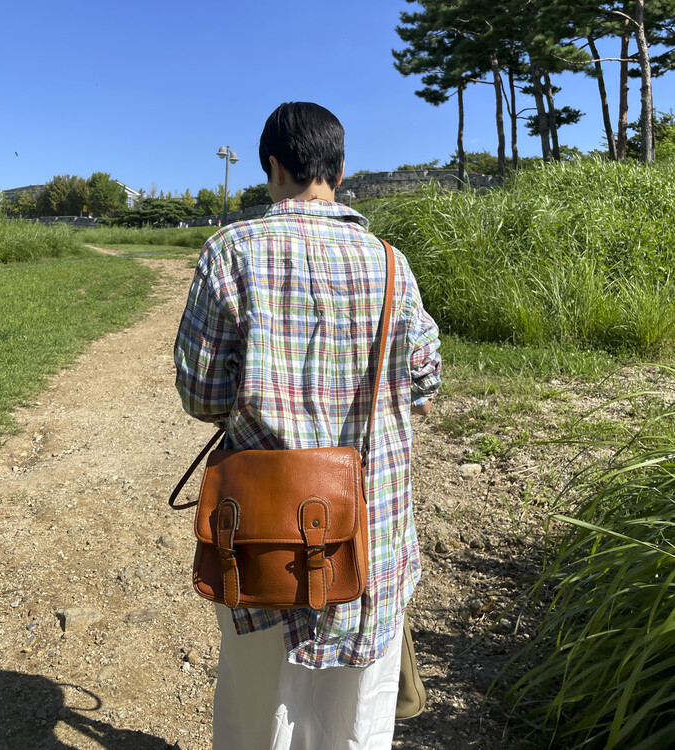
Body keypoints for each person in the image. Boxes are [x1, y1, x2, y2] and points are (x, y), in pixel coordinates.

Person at [173, 102, 441, 749]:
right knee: (357, 719)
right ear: (340, 170)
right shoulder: (390, 264)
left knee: (257, 708)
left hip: (263, 540)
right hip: (366, 533)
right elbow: (425, 385)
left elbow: (202, 394)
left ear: (272, 166)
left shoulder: (229, 252)